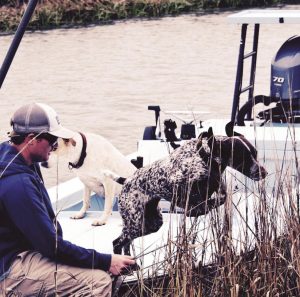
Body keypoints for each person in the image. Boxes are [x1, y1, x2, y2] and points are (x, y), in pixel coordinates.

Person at [0, 102, 135, 296]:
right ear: (31, 139)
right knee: (97, 281)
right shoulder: (18, 183)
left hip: (16, 253)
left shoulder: (13, 157)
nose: (55, 147)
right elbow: (51, 246)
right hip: (8, 269)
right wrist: (106, 261)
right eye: (52, 140)